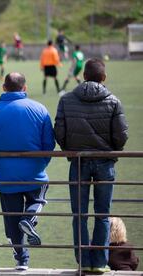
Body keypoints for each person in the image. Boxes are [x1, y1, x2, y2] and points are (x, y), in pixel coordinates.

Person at [54, 58, 129, 273]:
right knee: (102, 214)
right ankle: (99, 263)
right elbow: (121, 135)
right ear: (103, 77)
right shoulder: (113, 101)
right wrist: (110, 150)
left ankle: (83, 261)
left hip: (78, 161)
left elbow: (59, 130)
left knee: (79, 214)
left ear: (84, 76)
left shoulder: (67, 99)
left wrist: (70, 149)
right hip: (105, 162)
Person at [0, 72, 55, 271]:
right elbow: (49, 144)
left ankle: (22, 260)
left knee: (11, 218)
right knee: (37, 201)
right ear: (25, 88)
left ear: (4, 88)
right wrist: (41, 163)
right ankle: (28, 220)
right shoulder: (40, 109)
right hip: (35, 173)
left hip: (5, 175)